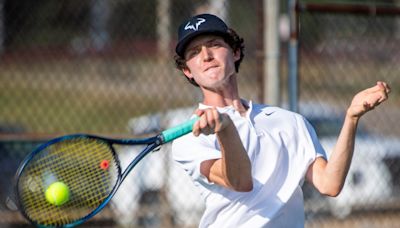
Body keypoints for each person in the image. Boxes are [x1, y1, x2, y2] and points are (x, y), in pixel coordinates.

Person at [171, 13, 391, 227]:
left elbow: (329, 184)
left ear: (235, 52)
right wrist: (226, 129)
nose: (206, 55)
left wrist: (351, 117)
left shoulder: (290, 122)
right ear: (187, 70)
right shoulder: (189, 138)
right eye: (194, 52)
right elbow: (240, 181)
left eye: (214, 44)